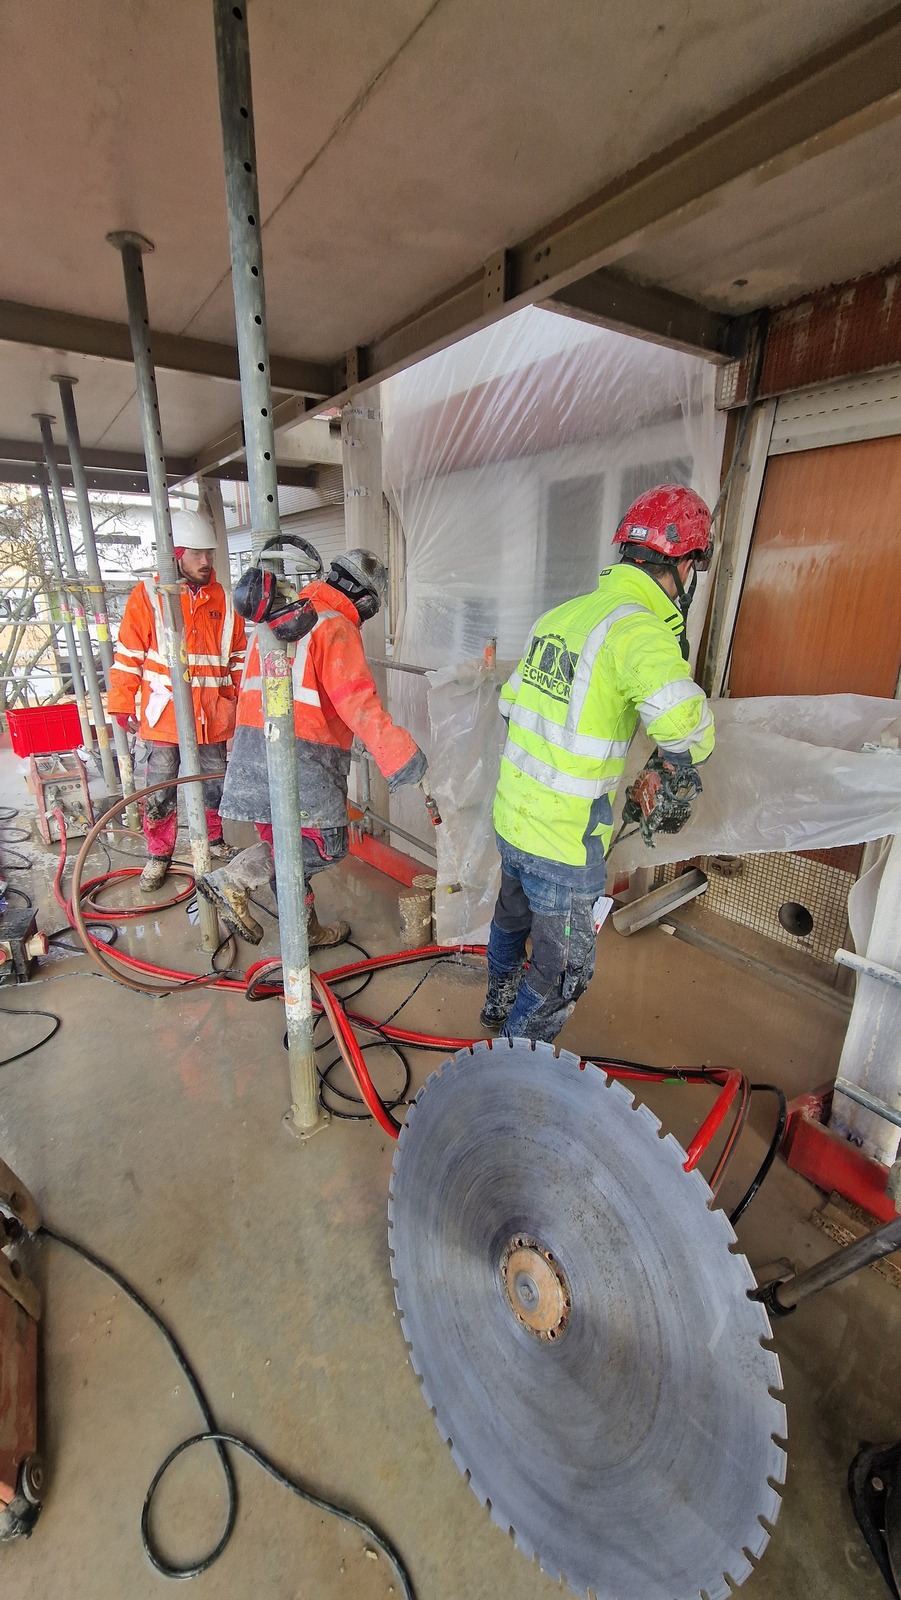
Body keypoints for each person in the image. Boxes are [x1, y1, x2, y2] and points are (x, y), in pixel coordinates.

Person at [481, 483, 716, 1044]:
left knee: (511, 921)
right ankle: (507, 1074)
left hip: (512, 821)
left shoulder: (560, 617)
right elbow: (691, 732)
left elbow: (510, 707)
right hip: (563, 845)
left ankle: (496, 1006)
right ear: (682, 566)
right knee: (564, 974)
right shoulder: (640, 630)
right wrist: (669, 760)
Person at [197, 548, 428, 948]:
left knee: (280, 837)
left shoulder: (282, 613)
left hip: (254, 748)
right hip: (302, 752)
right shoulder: (335, 624)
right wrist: (405, 758)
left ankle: (304, 931)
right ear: (366, 600)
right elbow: (358, 704)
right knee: (325, 843)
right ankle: (234, 880)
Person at [107, 508, 247, 892]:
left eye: (210, 554)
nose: (206, 561)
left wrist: (239, 706)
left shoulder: (225, 599)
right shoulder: (149, 597)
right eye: (197, 554)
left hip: (213, 715)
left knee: (214, 783)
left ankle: (213, 841)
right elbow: (128, 657)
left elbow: (237, 659)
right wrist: (121, 703)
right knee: (160, 787)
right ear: (177, 553)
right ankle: (159, 854)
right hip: (165, 715)